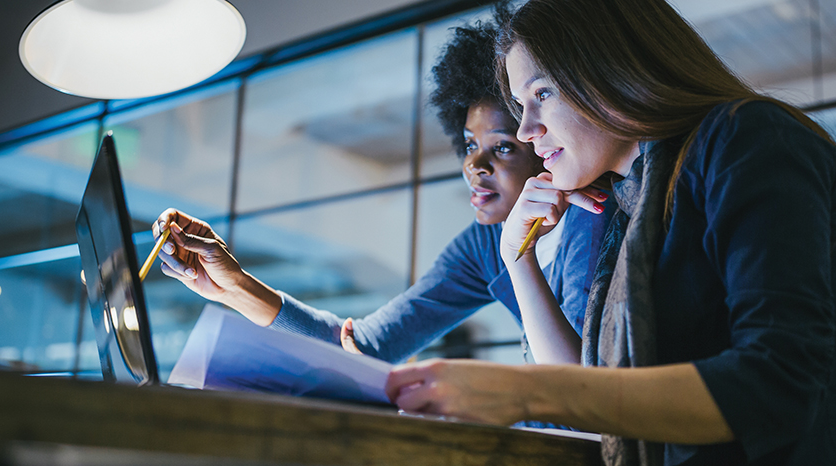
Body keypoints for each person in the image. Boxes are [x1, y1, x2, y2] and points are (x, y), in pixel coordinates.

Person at [384, 1, 836, 465]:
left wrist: (526, 391)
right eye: (521, 105)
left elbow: (779, 385)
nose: (525, 130)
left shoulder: (746, 138)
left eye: (542, 93)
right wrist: (518, 259)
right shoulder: (630, 200)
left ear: (609, 69)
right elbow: (595, 397)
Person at [153, 9, 610, 366]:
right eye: (469, 144)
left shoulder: (594, 219)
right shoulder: (486, 244)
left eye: (503, 147)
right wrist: (231, 285)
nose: (475, 164)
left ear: (541, 141)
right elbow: (365, 347)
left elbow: (580, 388)